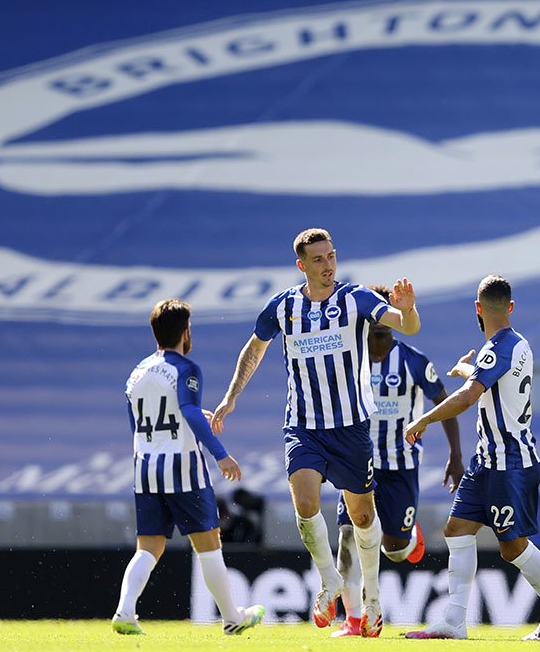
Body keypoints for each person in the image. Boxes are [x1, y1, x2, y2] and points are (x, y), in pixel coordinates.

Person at [211, 228, 421, 638]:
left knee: (362, 515)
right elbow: (254, 348)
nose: (328, 266)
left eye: (331, 257)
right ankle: (330, 584)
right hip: (304, 426)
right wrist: (231, 396)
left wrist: (408, 310)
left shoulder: (355, 298)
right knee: (305, 503)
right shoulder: (284, 306)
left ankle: (373, 598)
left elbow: (405, 326)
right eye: (319, 259)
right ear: (301, 265)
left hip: (351, 428)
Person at [403, 275, 540, 641]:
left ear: (477, 308)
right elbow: (486, 379)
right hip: (487, 460)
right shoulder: (517, 345)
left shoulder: (497, 349)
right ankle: (453, 620)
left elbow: (468, 398)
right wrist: (467, 369)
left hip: (509, 462)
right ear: (510, 308)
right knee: (457, 529)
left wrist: (423, 419)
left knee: (513, 547)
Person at [112, 299, 264, 636]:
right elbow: (189, 412)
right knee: (208, 542)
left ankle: (124, 611)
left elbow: (138, 422)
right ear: (185, 332)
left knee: (148, 546)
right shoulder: (185, 368)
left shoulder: (137, 372)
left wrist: (189, 417)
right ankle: (232, 617)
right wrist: (220, 454)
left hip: (145, 468)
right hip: (182, 468)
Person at [331, 284, 465, 637]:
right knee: (348, 536)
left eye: (384, 323)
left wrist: (455, 454)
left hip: (400, 465)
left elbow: (444, 403)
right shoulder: (349, 361)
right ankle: (355, 619)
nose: (378, 332)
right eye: (372, 325)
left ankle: (408, 537)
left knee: (394, 551)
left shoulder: (413, 361)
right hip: (358, 464)